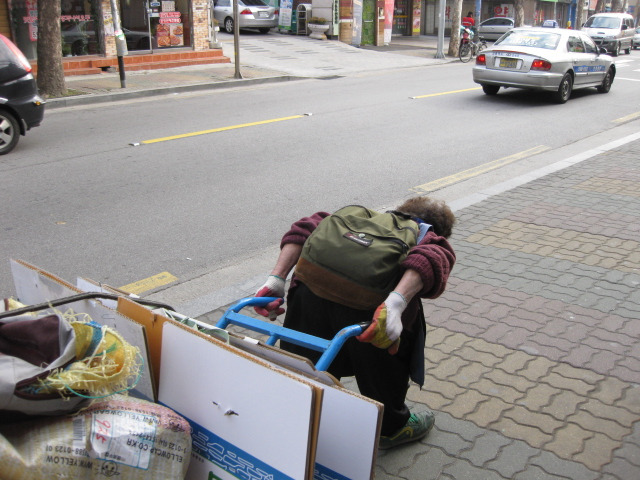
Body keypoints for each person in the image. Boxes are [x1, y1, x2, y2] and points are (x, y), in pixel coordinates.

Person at [254, 196, 456, 449]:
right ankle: (391, 429)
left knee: (305, 362)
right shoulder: (425, 234)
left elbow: (304, 228)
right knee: (384, 367)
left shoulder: (358, 216)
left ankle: (301, 416)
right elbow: (434, 256)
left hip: (308, 297)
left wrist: (277, 279)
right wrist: (396, 302)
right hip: (370, 313)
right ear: (440, 229)